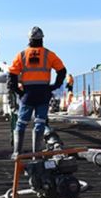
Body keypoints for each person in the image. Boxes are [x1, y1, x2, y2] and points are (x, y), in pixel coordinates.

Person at [8, 27, 67, 157]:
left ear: (29, 39)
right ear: (42, 39)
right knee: (40, 123)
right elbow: (62, 71)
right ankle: (37, 154)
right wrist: (54, 86)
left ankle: (17, 152)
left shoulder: (21, 55)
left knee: (21, 123)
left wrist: (18, 91)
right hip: (43, 94)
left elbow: (11, 74)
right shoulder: (49, 55)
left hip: (27, 95)